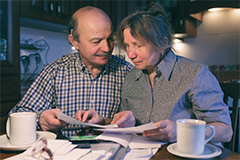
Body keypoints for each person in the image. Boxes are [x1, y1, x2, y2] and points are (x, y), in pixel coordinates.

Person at [110, 3, 232, 144]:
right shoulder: (131, 78)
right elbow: (129, 127)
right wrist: (126, 122)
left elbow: (226, 131)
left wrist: (183, 132)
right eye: (127, 45)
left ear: (163, 43)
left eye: (138, 45)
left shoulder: (195, 73)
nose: (130, 54)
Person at [9, 6, 133, 138]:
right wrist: (40, 120)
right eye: (96, 41)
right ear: (74, 41)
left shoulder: (128, 72)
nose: (107, 48)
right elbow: (17, 115)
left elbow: (144, 121)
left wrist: (130, 120)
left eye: (110, 39)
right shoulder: (55, 72)